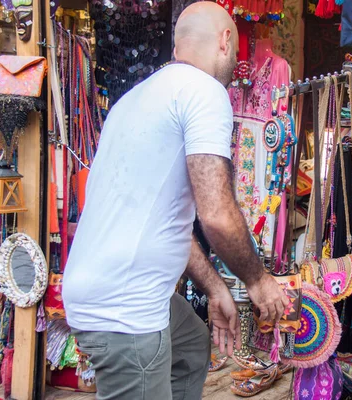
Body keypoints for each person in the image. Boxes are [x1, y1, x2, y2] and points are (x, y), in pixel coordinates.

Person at [62, 3, 290, 399]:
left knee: (190, 345)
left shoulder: (138, 97)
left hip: (107, 288)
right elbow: (216, 215)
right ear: (224, 41)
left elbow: (171, 225)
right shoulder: (204, 92)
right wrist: (257, 280)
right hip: (125, 307)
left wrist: (217, 288)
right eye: (235, 51)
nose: (235, 61)